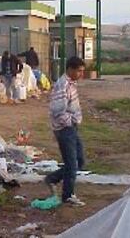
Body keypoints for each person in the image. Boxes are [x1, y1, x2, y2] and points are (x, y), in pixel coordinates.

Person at [44, 56, 86, 207]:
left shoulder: (71, 84)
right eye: (79, 71)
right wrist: (70, 121)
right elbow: (56, 110)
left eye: (82, 71)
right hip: (65, 129)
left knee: (79, 161)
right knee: (72, 163)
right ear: (70, 69)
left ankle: (53, 178)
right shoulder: (62, 86)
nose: (81, 74)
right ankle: (68, 195)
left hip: (72, 128)